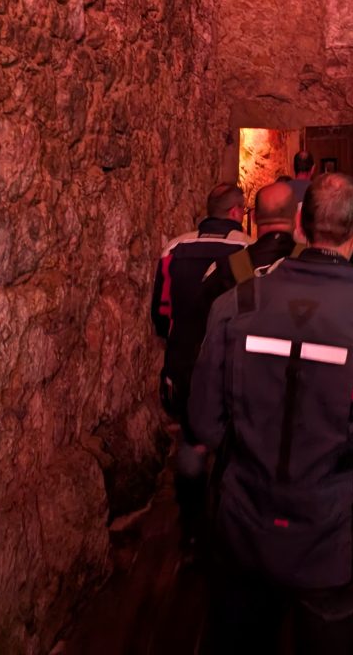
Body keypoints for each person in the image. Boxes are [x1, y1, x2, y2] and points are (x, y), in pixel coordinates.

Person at [190, 173, 353, 654]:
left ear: (300, 224)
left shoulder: (237, 303)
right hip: (333, 532)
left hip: (245, 524)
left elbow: (202, 421)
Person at [150, 182, 250, 557]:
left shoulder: (174, 249)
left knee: (191, 440)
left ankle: (191, 530)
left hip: (184, 362)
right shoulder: (246, 250)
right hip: (228, 363)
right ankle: (229, 531)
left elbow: (161, 313)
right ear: (236, 212)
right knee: (233, 445)